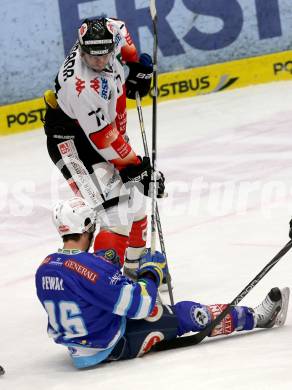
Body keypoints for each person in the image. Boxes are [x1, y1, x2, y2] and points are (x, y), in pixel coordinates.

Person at [35, 197, 290, 369]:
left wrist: (104, 265)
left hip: (79, 347)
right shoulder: (92, 270)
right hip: (110, 345)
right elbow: (141, 305)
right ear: (88, 225)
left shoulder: (45, 266)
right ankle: (258, 317)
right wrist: (151, 273)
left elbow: (81, 286)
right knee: (184, 314)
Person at [43, 17, 164, 279]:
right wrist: (135, 166)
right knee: (113, 211)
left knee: (136, 199)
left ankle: (134, 266)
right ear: (81, 48)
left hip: (100, 131)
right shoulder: (82, 86)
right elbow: (103, 139)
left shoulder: (112, 34)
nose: (98, 62)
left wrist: (133, 65)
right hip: (72, 140)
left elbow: (120, 27)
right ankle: (101, 283)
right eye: (91, 56)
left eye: (104, 55)